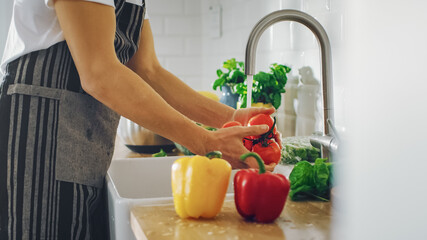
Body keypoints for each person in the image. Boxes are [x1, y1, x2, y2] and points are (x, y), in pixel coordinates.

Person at [0, 0, 280, 239]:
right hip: (39, 131)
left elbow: (148, 71)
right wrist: (204, 140)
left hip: (83, 140)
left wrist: (229, 118)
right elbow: (98, 73)